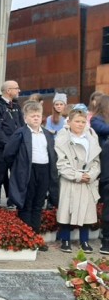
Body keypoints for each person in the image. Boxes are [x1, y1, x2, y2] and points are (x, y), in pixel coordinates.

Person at [4, 102, 58, 247]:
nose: (36, 118)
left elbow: (52, 154)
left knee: (38, 205)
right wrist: (17, 169)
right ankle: (25, 238)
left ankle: (35, 237)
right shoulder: (21, 133)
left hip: (44, 170)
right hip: (27, 171)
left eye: (38, 116)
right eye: (32, 116)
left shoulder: (47, 134)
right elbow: (9, 153)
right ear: (25, 118)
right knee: (26, 204)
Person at [55, 107, 101, 253]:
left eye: (83, 121)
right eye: (77, 121)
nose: (80, 124)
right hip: (71, 179)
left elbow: (96, 161)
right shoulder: (62, 139)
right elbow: (61, 163)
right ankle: (65, 239)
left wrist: (92, 175)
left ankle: (84, 241)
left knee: (86, 211)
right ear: (69, 122)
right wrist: (77, 176)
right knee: (67, 209)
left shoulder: (91, 138)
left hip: (88, 180)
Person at [0, 80, 25, 208]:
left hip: (15, 148)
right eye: (16, 88)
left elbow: (21, 126)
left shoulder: (16, 106)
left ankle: (12, 201)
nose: (19, 90)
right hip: (0, 149)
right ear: (8, 91)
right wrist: (9, 144)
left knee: (15, 176)